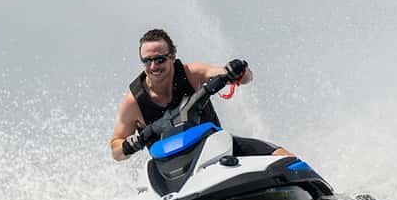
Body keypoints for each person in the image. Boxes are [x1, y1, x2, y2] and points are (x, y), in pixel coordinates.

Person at [110, 28, 293, 161]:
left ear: (172, 57)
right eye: (147, 61)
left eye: (159, 60)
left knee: (283, 156)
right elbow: (116, 150)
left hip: (217, 149)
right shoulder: (133, 102)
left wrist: (237, 71)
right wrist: (130, 144)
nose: (153, 66)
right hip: (168, 170)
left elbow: (244, 77)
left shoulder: (192, 74)